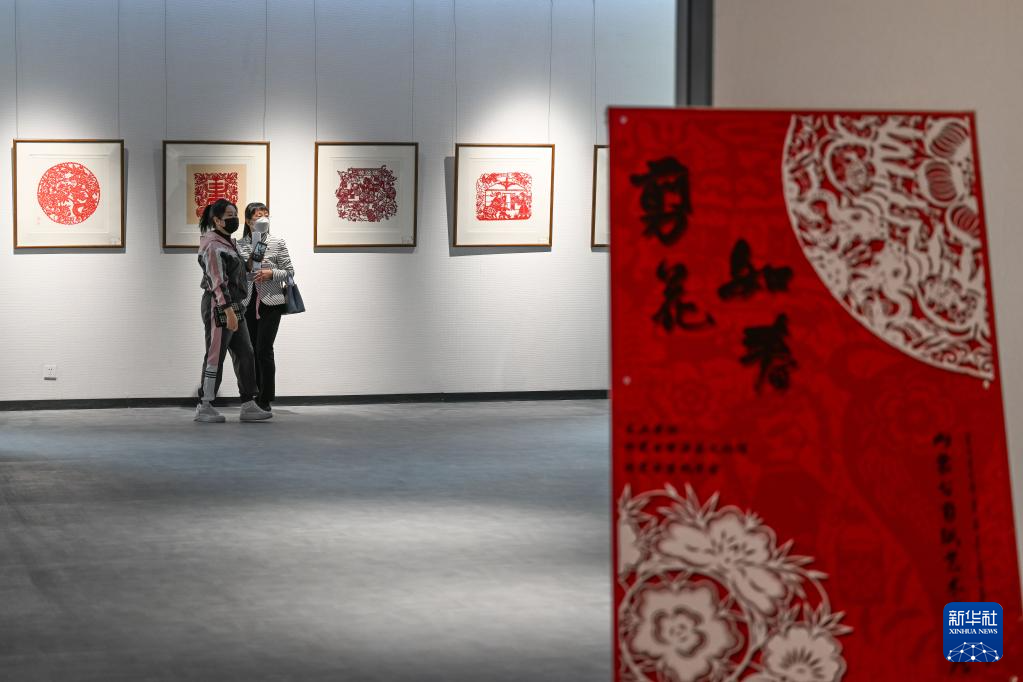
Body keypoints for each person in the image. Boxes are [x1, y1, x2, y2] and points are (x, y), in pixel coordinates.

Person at [195, 198, 272, 423]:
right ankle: (204, 405)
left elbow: (247, 269)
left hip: (235, 304)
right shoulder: (212, 245)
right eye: (229, 216)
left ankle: (248, 403)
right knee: (215, 354)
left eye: (235, 215)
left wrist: (259, 240)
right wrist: (227, 310)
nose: (234, 219)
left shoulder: (229, 242)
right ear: (217, 220)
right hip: (219, 304)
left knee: (245, 352)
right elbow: (217, 281)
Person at [237, 202, 295, 413]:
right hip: (247, 302)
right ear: (248, 221)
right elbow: (240, 272)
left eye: (266, 215)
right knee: (249, 350)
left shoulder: (277, 242)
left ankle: (265, 397)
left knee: (264, 349)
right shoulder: (239, 244)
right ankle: (251, 394)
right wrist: (249, 271)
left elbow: (289, 272)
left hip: (271, 302)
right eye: (258, 216)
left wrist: (271, 274)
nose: (263, 219)